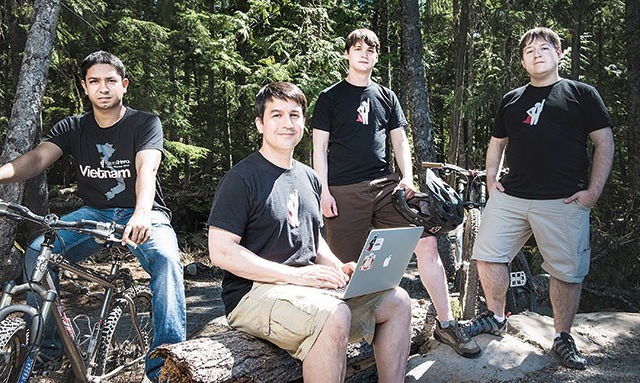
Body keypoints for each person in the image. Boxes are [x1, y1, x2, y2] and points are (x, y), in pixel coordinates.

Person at [0, 51, 186, 382]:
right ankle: (50, 350)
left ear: (124, 85)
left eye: (111, 81)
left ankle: (166, 365)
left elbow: (147, 168)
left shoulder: (144, 123)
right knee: (36, 251)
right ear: (85, 87)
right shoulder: (73, 127)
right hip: (94, 213)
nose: (103, 88)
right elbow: (37, 159)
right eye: (95, 81)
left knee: (167, 260)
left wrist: (142, 212)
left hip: (142, 212)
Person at [208, 82, 412, 383]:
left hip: (304, 290)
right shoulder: (241, 178)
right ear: (260, 124)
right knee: (334, 315)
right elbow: (222, 251)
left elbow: (314, 242)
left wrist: (339, 268)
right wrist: (296, 276)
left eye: (294, 114)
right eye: (276, 115)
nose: (287, 123)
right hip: (253, 294)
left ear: (304, 122)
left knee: (398, 301)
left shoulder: (309, 178)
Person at [311, 28, 479, 358]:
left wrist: (407, 178)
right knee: (345, 268)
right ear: (347, 54)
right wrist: (323, 191)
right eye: (357, 48)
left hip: (386, 186)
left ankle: (446, 324)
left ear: (376, 56)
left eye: (370, 50)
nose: (363, 54)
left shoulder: (386, 96)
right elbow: (319, 148)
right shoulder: (330, 97)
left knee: (426, 240)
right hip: (343, 191)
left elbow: (400, 142)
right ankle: (342, 342)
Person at [465, 27, 615, 370]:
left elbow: (604, 142)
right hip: (512, 196)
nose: (536, 54)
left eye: (544, 48)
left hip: (564, 201)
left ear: (558, 54)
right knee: (487, 255)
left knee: (566, 273)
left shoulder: (582, 94)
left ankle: (562, 337)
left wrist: (593, 192)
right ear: (522, 61)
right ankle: (496, 316)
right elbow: (496, 143)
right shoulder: (512, 99)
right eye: (529, 50)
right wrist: (491, 180)